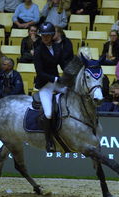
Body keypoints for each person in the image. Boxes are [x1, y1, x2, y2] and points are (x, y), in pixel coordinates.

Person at [33, 21, 67, 152]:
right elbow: (40, 73)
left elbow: (63, 64)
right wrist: (56, 78)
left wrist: (70, 74)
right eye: (43, 35)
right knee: (48, 113)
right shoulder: (38, 51)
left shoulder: (58, 48)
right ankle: (49, 141)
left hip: (57, 83)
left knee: (72, 93)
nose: (45, 37)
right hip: (45, 85)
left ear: (52, 35)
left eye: (48, 35)